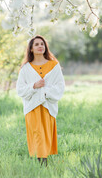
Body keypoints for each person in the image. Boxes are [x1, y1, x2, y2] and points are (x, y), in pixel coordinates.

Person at [16, 35, 65, 166]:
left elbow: (60, 87)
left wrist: (44, 92)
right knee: (37, 136)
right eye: (36, 44)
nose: (40, 46)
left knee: (46, 136)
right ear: (31, 49)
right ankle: (42, 166)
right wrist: (34, 86)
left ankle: (43, 165)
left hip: (48, 106)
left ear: (45, 47)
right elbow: (20, 89)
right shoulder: (26, 68)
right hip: (32, 107)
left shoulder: (54, 66)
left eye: (42, 44)